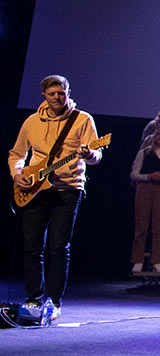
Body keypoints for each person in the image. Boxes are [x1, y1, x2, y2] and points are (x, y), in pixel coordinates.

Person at [8, 75, 103, 321]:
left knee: (58, 247)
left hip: (68, 189)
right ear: (44, 95)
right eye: (52, 94)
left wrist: (89, 153)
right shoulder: (32, 122)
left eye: (61, 93)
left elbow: (97, 154)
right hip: (35, 190)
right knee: (32, 248)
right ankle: (32, 299)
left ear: (68, 92)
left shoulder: (83, 119)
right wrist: (18, 174)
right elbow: (17, 154)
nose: (57, 98)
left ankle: (53, 301)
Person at [129, 126, 160, 274]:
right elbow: (134, 174)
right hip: (145, 188)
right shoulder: (144, 153)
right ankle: (138, 260)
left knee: (159, 227)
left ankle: (157, 260)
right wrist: (148, 176)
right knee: (141, 225)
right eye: (158, 134)